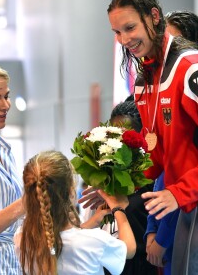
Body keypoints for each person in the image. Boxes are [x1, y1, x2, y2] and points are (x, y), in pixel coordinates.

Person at [107, 0, 198, 275]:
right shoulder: (146, 79)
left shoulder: (194, 68)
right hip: (184, 202)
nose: (124, 40)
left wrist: (178, 193)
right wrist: (119, 187)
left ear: (154, 16)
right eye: (117, 32)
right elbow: (157, 155)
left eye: (130, 28)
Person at [14, 150, 136, 275]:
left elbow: (62, 237)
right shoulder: (96, 241)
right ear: (71, 191)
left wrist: (89, 224)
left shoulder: (22, 237)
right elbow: (129, 249)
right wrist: (118, 208)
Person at [81, 95, 158, 275]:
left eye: (128, 135)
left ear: (143, 137)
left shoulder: (154, 185)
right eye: (116, 134)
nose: (121, 142)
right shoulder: (105, 186)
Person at [0, 63, 23, 274]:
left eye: (7, 96)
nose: (6, 105)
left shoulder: (4, 148)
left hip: (12, 263)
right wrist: (24, 204)